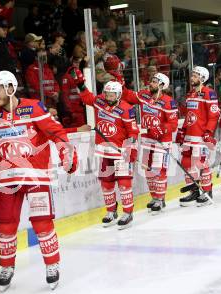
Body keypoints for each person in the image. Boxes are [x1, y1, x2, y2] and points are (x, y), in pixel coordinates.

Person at [0, 70, 78, 291]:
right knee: (5, 225)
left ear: (10, 88)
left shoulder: (34, 107)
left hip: (36, 175)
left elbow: (56, 133)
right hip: (8, 178)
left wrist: (68, 154)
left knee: (42, 223)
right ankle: (6, 267)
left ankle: (52, 264)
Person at [71, 69, 139, 229]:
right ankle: (111, 211)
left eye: (111, 95)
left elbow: (133, 131)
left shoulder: (127, 109)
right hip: (104, 151)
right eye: (106, 94)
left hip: (121, 152)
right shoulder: (100, 101)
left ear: (119, 95)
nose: (108, 98)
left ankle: (128, 213)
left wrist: (131, 151)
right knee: (106, 183)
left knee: (124, 183)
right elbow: (87, 98)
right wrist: (81, 84)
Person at [122, 73, 178, 213]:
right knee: (148, 171)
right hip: (147, 140)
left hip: (162, 142)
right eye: (151, 81)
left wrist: (160, 129)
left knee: (159, 171)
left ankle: (161, 199)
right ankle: (154, 197)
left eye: (154, 82)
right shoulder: (144, 95)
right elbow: (127, 95)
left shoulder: (168, 101)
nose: (150, 83)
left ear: (161, 85)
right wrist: (119, 80)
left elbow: (173, 124)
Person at [176, 66, 220, 207]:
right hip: (189, 137)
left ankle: (207, 191)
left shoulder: (209, 93)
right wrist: (182, 131)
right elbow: (189, 116)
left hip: (201, 137)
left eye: (195, 76)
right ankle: (194, 191)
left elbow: (214, 116)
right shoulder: (191, 94)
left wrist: (208, 132)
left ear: (202, 78)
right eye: (192, 75)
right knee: (187, 164)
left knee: (201, 164)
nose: (192, 78)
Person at [61, 57, 86, 128]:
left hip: (81, 108)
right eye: (76, 62)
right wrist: (70, 111)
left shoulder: (79, 74)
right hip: (74, 110)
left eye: (78, 62)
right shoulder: (68, 76)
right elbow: (65, 95)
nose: (78, 64)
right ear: (72, 63)